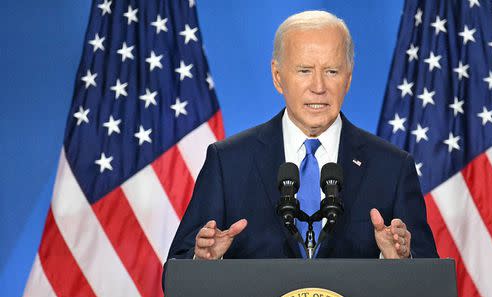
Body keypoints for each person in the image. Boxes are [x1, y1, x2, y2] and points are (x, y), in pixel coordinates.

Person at [167, 10, 438, 261]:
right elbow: (177, 273)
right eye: (304, 71)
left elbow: (428, 285)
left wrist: (402, 262)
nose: (318, 87)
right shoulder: (228, 162)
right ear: (277, 76)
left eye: (332, 71)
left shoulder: (392, 167)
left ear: (349, 78)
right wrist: (202, 262)